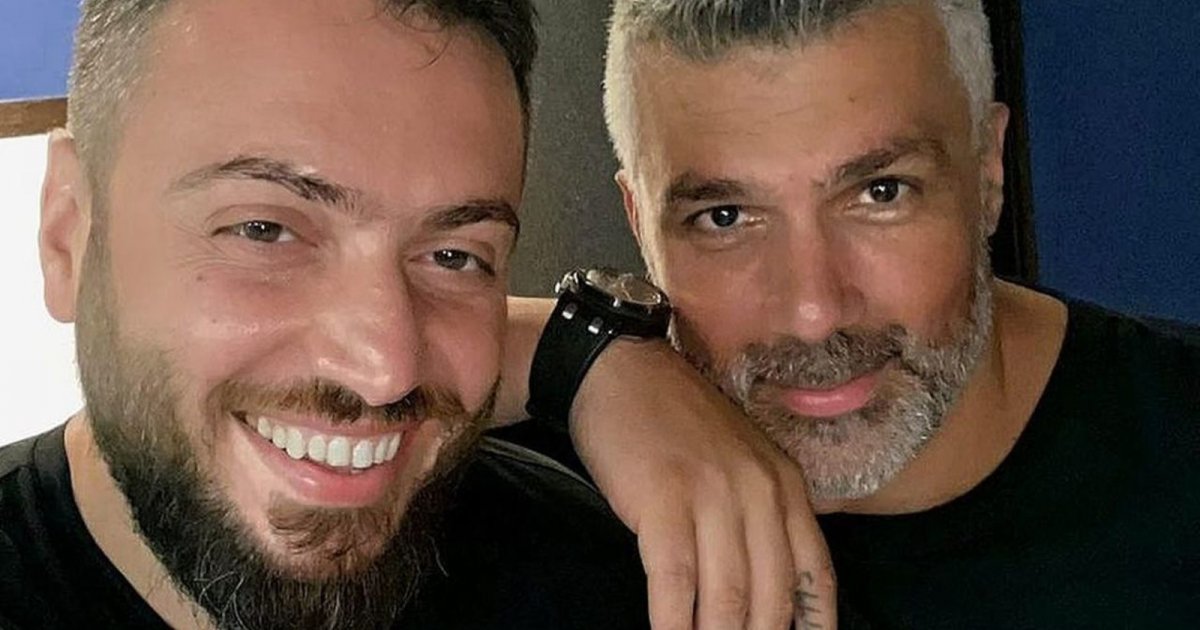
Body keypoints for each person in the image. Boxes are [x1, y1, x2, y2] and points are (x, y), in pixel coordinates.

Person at [2, 0, 838, 628]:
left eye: (454, 256)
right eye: (265, 230)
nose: (385, 367)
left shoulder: (600, 583)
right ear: (68, 235)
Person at [502, 0, 1200, 627]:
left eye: (881, 193)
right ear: (639, 221)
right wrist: (580, 356)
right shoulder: (552, 493)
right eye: (726, 217)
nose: (813, 312)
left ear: (988, 171)